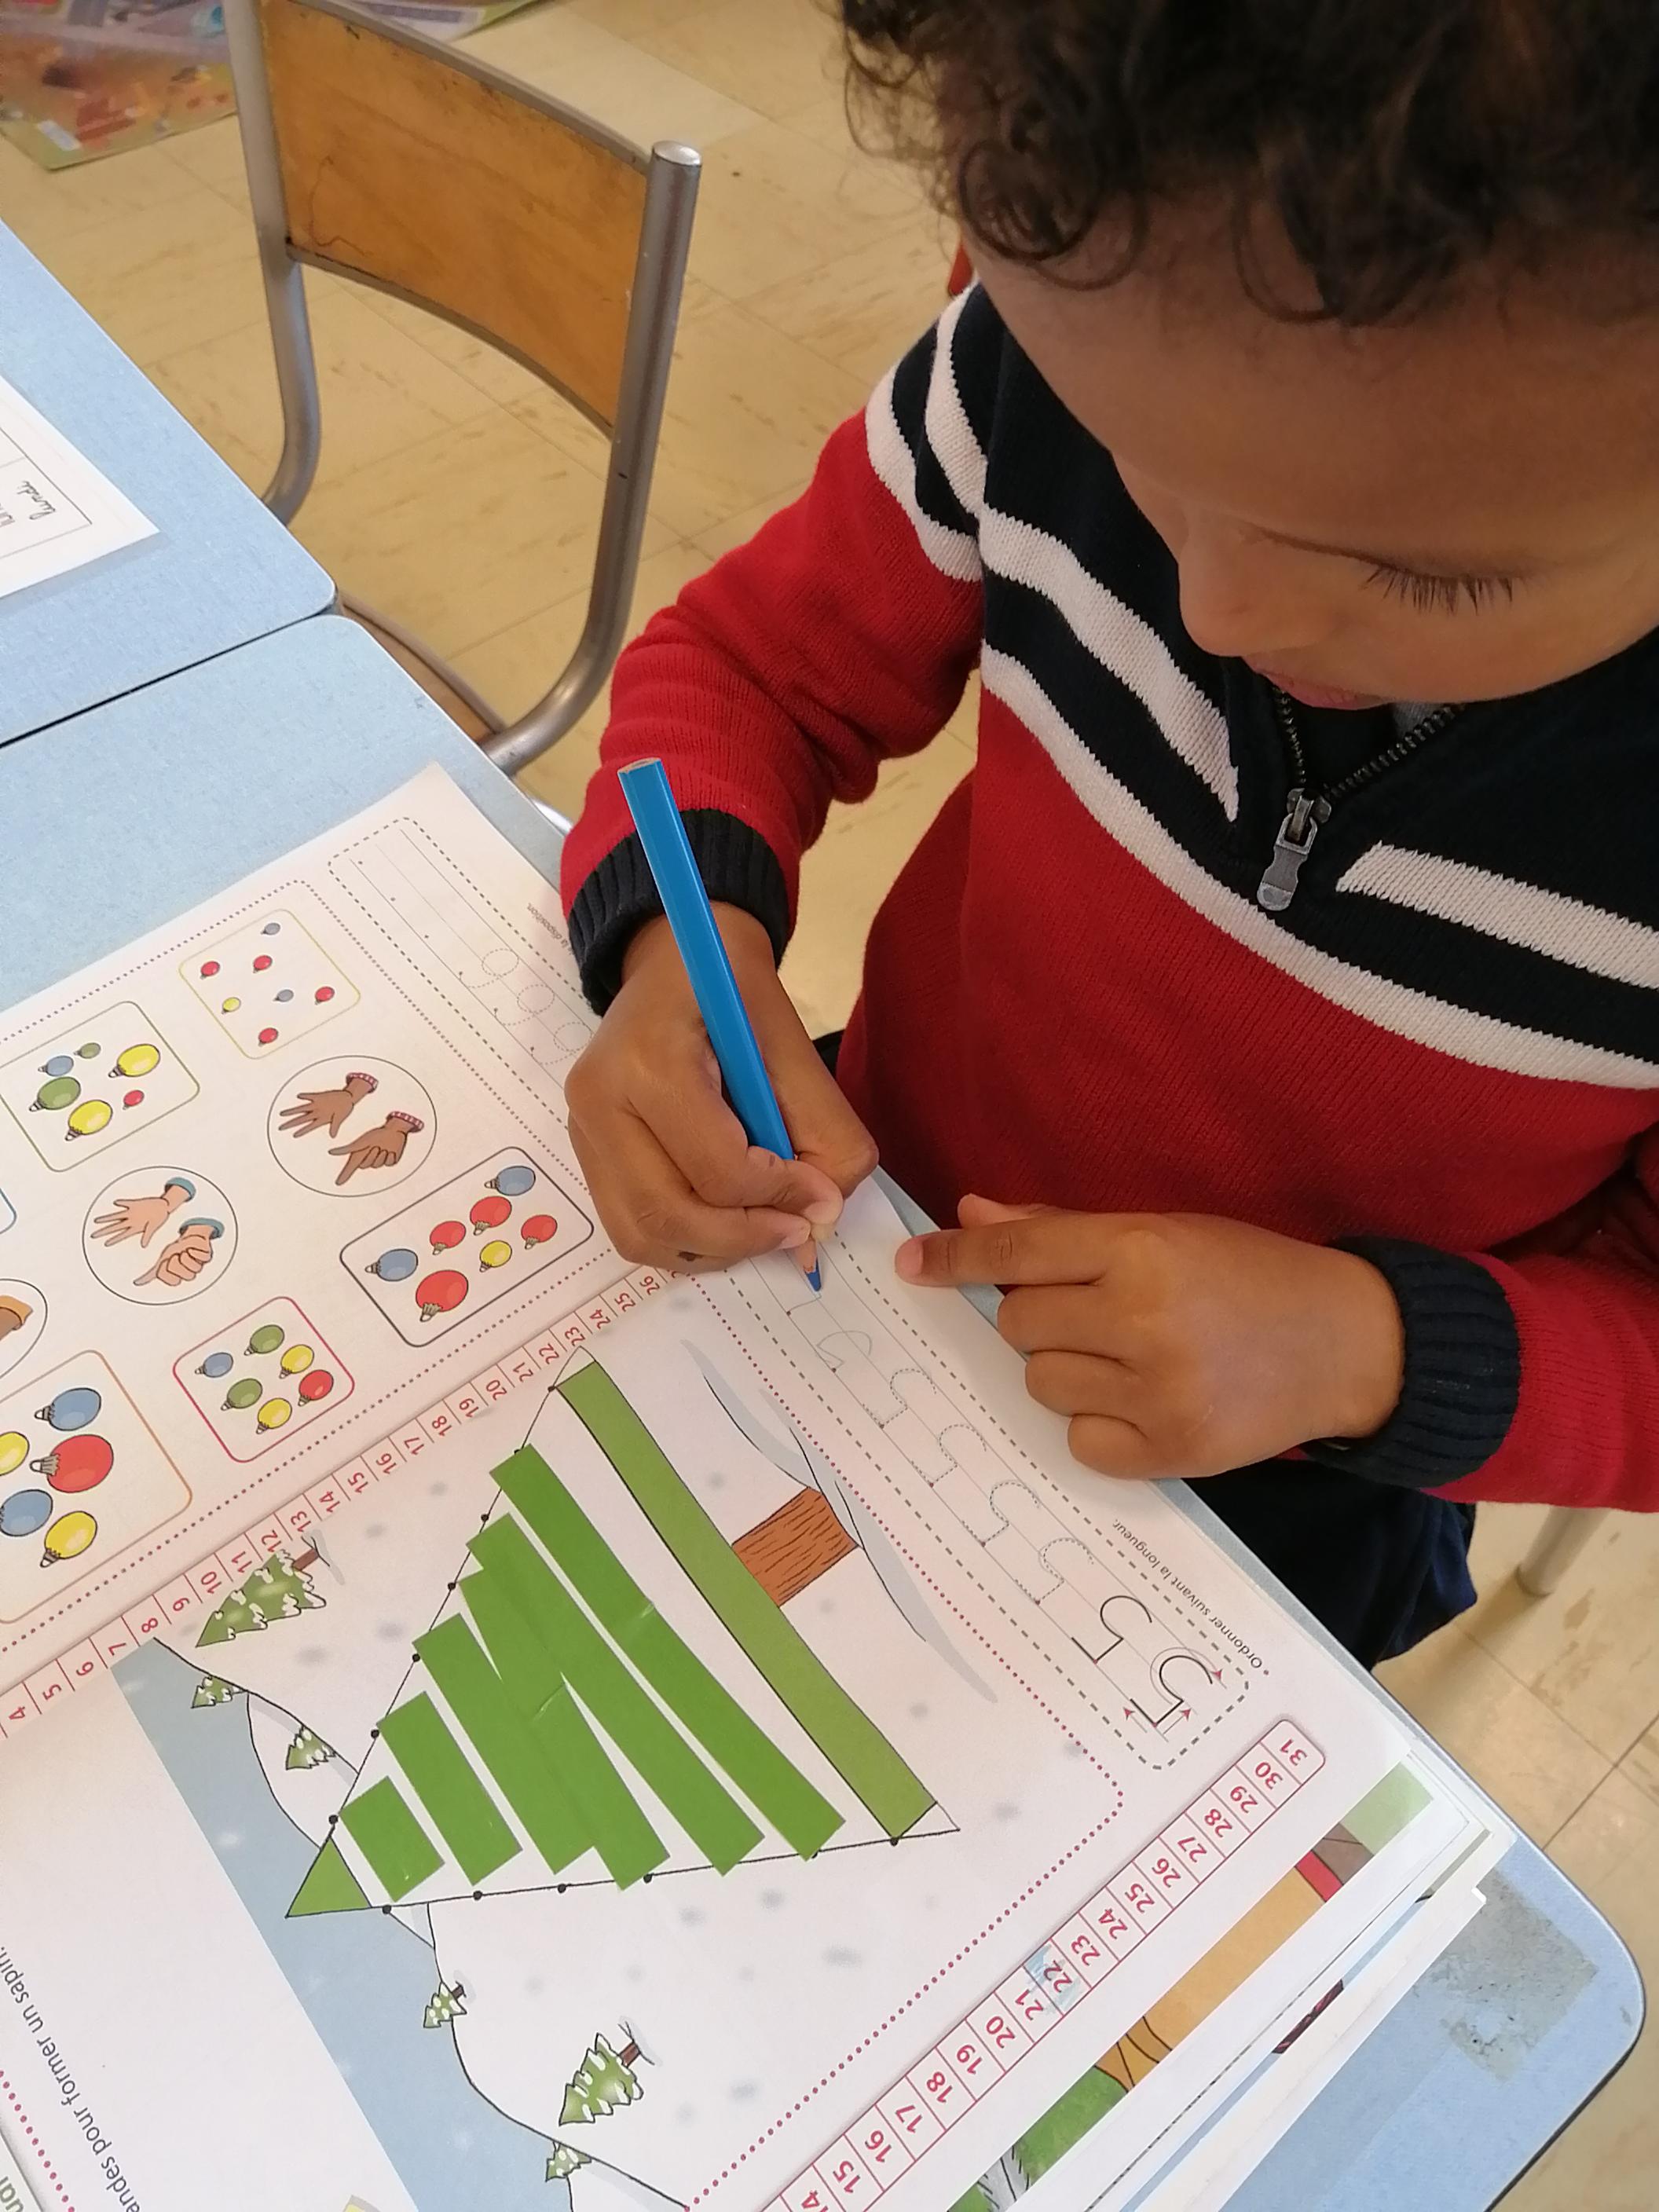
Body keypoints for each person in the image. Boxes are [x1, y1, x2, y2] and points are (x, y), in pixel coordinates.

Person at [558, 0, 1659, 1666]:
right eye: (1138, 460)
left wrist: (1365, 1348)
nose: (1219, 611)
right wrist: (670, 949)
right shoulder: (1053, 334)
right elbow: (747, 674)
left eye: (1428, 575)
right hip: (869, 1234)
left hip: (1285, 1482)